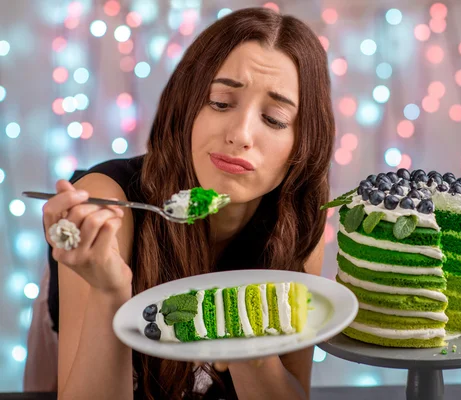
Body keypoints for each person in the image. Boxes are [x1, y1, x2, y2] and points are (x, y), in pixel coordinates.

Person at [37, 7, 334, 399]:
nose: (240, 134)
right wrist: (110, 292)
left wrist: (250, 348)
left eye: (275, 118)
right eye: (221, 102)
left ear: (303, 143)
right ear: (187, 103)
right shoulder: (111, 205)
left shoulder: (296, 229)